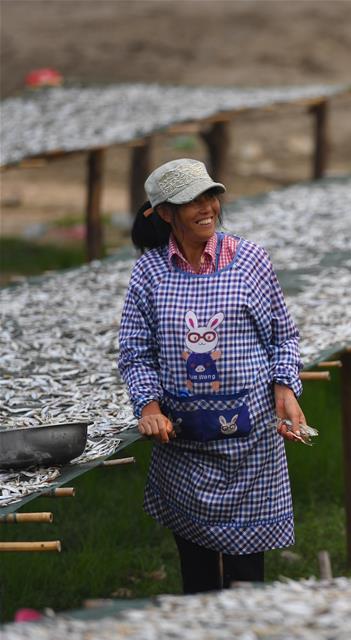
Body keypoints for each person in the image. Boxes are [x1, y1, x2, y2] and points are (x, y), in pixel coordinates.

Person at [118, 158, 306, 594]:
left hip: (251, 446)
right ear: (165, 213)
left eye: (210, 197)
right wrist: (148, 407)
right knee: (199, 580)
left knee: (246, 581)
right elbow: (135, 352)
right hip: (184, 447)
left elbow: (284, 337)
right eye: (191, 202)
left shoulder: (249, 261)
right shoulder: (149, 273)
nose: (207, 208)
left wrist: (285, 388)